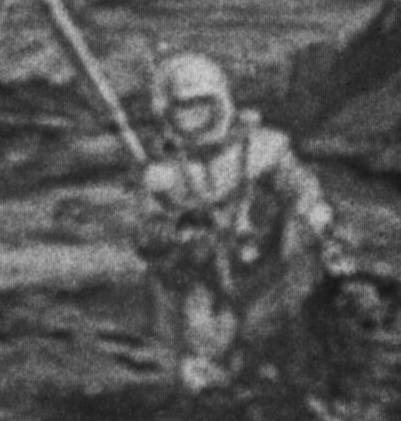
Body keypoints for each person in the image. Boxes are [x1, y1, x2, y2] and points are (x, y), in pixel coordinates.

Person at [136, 50, 346, 394]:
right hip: (202, 273)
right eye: (182, 106)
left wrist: (317, 217)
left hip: (263, 264)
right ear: (168, 111)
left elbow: (299, 187)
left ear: (219, 101)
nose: (192, 114)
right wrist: (178, 230)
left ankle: (296, 372)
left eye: (201, 103)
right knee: (199, 347)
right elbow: (147, 235)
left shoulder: (260, 148)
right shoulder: (165, 173)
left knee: (283, 312)